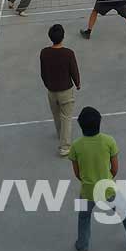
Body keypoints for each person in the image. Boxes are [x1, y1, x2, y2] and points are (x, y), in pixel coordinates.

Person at [69, 106, 126, 251]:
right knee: (125, 213)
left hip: (87, 191)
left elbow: (77, 173)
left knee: (84, 218)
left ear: (80, 125)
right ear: (99, 122)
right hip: (108, 189)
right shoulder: (109, 141)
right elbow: (115, 169)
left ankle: (82, 246)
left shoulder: (76, 146)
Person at [40, 24, 81, 156]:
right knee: (66, 117)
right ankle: (64, 147)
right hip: (65, 91)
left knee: (56, 114)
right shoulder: (68, 53)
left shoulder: (44, 52)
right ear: (63, 37)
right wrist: (78, 83)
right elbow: (74, 70)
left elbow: (43, 72)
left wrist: (47, 84)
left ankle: (60, 134)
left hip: (51, 90)